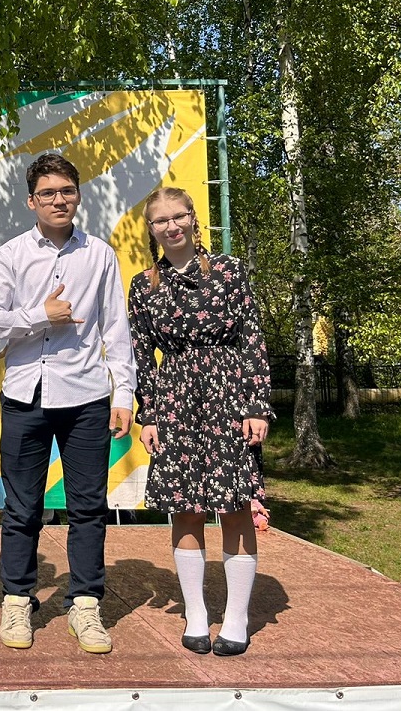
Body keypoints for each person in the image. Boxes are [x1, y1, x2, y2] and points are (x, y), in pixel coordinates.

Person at [0, 152, 135, 654]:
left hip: (86, 395)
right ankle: (17, 599)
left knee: (88, 507)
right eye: (47, 193)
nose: (58, 200)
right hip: (26, 395)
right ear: (31, 201)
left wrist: (124, 393)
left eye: (66, 191)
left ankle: (85, 603)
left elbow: (116, 329)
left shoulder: (100, 255)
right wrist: (38, 315)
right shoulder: (11, 255)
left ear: (78, 196)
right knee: (22, 506)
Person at [127, 186, 272, 657]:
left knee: (234, 508)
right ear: (150, 230)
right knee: (185, 508)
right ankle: (195, 614)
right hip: (175, 401)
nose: (171, 226)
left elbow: (252, 338)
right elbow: (141, 357)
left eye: (178, 216)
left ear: (193, 218)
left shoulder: (230, 271)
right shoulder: (144, 285)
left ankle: (236, 617)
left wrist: (257, 404)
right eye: (160, 220)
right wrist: (148, 415)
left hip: (229, 397)